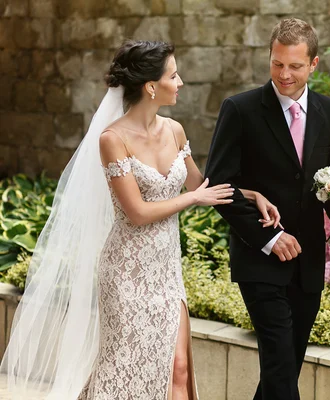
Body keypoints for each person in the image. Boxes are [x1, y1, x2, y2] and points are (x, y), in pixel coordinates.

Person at [1, 40, 281, 400]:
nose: (180, 82)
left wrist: (253, 196)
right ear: (151, 86)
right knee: (124, 370)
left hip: (166, 271)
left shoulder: (175, 130)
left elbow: (202, 184)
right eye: (174, 75)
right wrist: (192, 199)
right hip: (126, 273)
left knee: (178, 369)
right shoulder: (112, 139)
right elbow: (136, 213)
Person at [205, 18, 330, 400]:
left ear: (314, 64)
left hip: (307, 263)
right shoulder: (240, 110)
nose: (284, 74)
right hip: (260, 258)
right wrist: (269, 238)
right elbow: (220, 186)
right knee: (280, 367)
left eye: (295, 66)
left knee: (284, 369)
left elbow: (325, 181)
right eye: (277, 63)